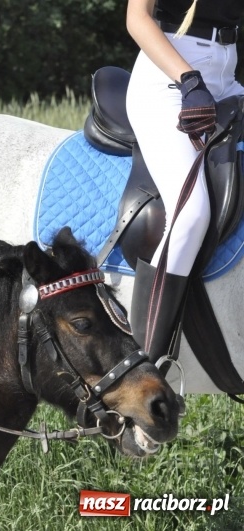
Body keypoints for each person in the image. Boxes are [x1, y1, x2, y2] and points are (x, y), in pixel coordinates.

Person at [125, 0, 244, 362]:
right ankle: (142, 372)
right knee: (190, 215)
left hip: (228, 77)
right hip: (170, 80)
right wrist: (190, 81)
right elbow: (138, 19)